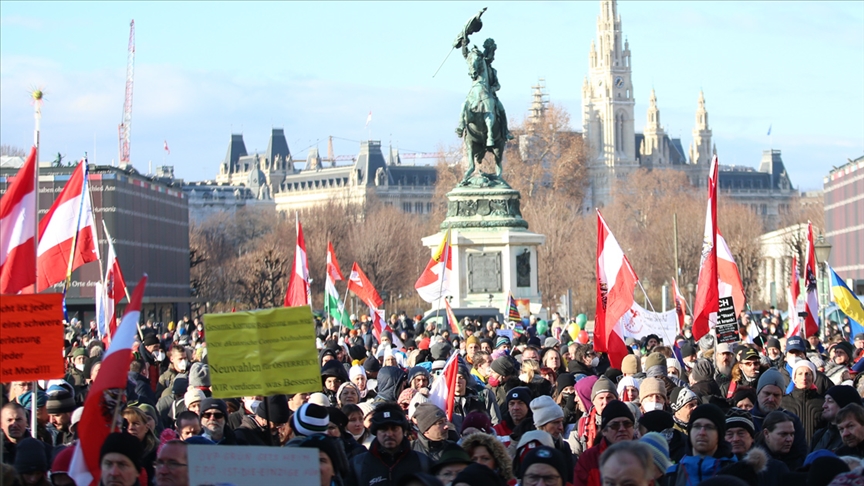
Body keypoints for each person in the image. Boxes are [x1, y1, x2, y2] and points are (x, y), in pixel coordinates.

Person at [350, 402, 431, 486]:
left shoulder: (423, 462)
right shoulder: (358, 465)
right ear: (376, 432)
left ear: (403, 431)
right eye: (383, 429)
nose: (389, 434)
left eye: (394, 428)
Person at [664, 404, 737, 485]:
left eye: (709, 427)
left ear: (719, 434)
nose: (702, 433)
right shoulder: (673, 475)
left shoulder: (735, 473)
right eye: (697, 426)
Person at [574, 400, 635, 486]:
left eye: (627, 424)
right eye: (615, 425)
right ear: (604, 431)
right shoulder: (589, 459)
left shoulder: (644, 455)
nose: (622, 429)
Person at [722, 408, 788, 486]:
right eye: (730, 434)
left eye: (741, 433)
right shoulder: (716, 467)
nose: (735, 439)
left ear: (752, 438)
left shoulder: (775, 469)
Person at [780, 358, 824, 445]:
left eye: (808, 374)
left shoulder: (822, 403)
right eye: (800, 374)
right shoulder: (783, 402)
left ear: (813, 377)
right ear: (795, 378)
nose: (804, 378)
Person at [812, 385, 861, 453]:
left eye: (830, 401)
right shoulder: (819, 435)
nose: (824, 406)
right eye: (825, 401)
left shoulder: (854, 438)